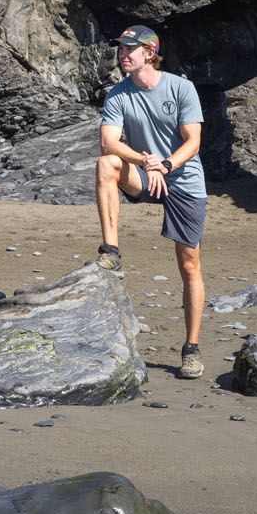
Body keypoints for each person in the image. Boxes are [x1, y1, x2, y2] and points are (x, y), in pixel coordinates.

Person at [93, 25, 208, 379]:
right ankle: (111, 251)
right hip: (145, 173)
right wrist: (146, 162)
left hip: (183, 176)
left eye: (130, 48)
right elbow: (109, 142)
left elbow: (194, 142)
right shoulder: (118, 94)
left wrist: (167, 163)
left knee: (189, 265)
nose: (122, 54)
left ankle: (191, 349)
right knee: (106, 164)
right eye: (120, 49)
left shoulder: (180, 87)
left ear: (150, 53)